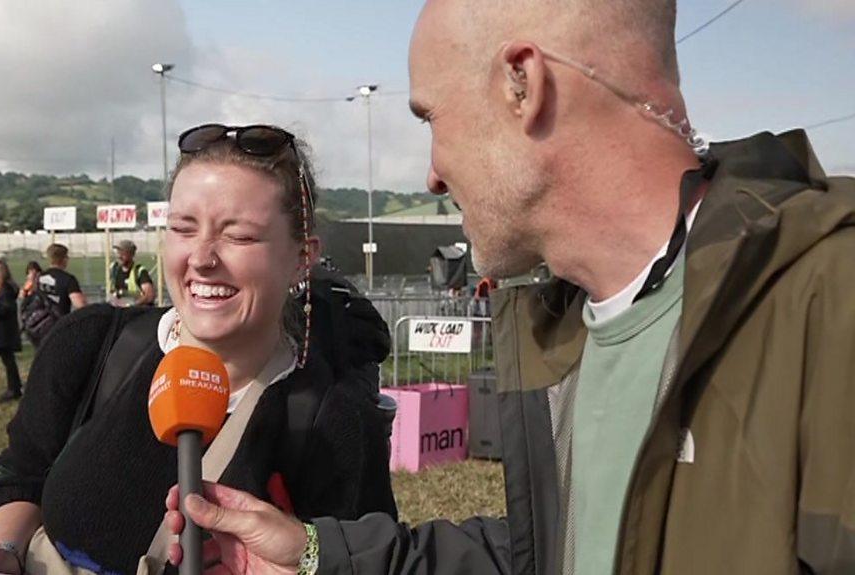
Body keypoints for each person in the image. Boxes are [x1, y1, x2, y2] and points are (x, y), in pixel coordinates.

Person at [161, 2, 855, 574]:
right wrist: (315, 553)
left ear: (524, 84)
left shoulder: (830, 300)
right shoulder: (564, 334)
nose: (432, 173)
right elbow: (553, 552)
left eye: (431, 117)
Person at [0, 123, 396, 575]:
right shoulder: (94, 344)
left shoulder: (334, 422)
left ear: (302, 256)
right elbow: (22, 476)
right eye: (184, 229)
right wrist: (6, 551)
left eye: (239, 236)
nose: (202, 258)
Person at [0, 260, 23, 402]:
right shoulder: (0, 289)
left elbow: (6, 307)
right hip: (2, 327)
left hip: (5, 329)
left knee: (9, 360)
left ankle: (13, 388)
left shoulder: (5, 289)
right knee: (7, 360)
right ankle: (14, 386)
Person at [38, 244, 86, 315]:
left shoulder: (39, 277)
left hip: (40, 321)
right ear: (64, 259)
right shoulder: (68, 279)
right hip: (60, 322)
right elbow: (80, 304)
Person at [108, 239, 156, 307]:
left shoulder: (139, 271)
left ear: (131, 254)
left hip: (138, 312)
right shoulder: (114, 269)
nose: (119, 256)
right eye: (118, 252)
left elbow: (149, 296)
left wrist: (132, 305)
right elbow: (112, 292)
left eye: (123, 253)